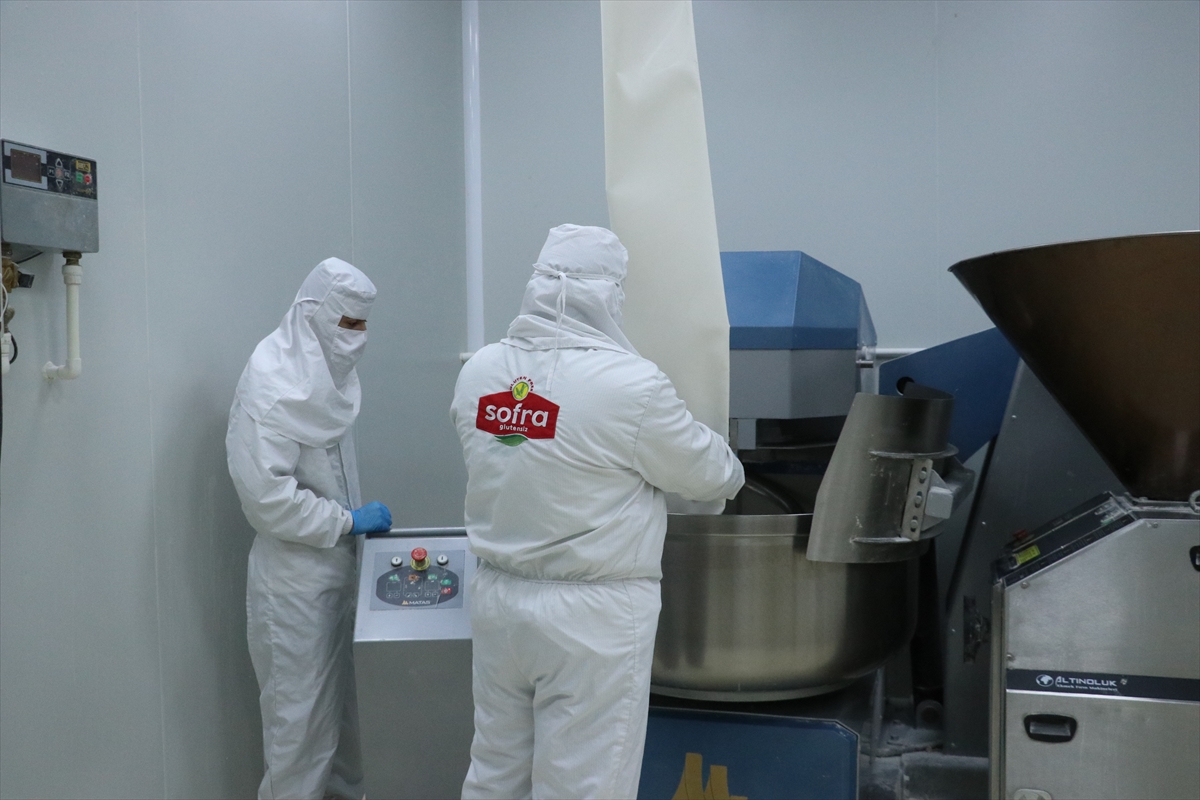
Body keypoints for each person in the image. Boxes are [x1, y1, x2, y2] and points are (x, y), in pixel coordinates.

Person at [450, 225, 745, 799]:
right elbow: (712, 476)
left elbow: (507, 454)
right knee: (585, 782)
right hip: (591, 618)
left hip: (498, 601)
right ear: (609, 294)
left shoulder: (480, 371)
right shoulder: (629, 385)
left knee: (496, 771)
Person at [227, 257, 392, 800]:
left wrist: (349, 529)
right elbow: (267, 500)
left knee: (344, 730)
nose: (357, 337)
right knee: (299, 739)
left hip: (341, 569)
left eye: (364, 324)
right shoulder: (273, 382)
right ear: (313, 314)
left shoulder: (328, 377)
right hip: (293, 584)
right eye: (348, 323)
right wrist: (347, 520)